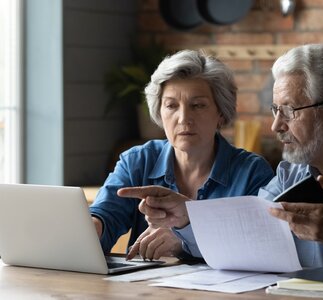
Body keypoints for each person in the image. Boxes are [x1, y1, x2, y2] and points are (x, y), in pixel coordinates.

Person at [130, 44, 323, 272]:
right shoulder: (289, 176)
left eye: (288, 111)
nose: (276, 126)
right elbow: (241, 238)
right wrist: (187, 217)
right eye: (275, 110)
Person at [90, 49, 274, 260]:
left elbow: (260, 246)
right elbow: (105, 215)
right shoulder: (137, 161)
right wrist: (92, 229)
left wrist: (186, 240)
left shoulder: (252, 172)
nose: (184, 118)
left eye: (198, 105)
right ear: (159, 112)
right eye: (171, 106)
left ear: (221, 114)